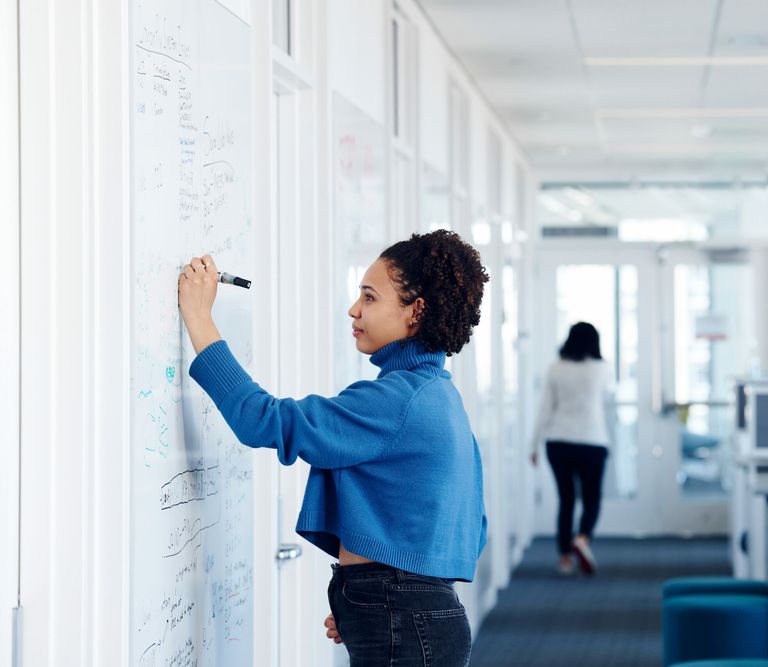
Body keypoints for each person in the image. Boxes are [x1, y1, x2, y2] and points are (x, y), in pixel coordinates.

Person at [178, 229, 488, 667]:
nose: (354, 309)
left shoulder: (399, 400)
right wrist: (375, 600)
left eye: (370, 297)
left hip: (407, 615)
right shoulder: (438, 396)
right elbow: (473, 528)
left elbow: (262, 419)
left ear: (415, 310)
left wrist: (200, 320)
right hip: (415, 614)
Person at [530, 321, 613, 576]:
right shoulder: (602, 369)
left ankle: (565, 558)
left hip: (558, 441)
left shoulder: (556, 369)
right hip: (592, 441)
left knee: (566, 500)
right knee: (591, 498)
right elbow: (607, 401)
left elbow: (545, 409)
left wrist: (533, 445)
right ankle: (583, 539)